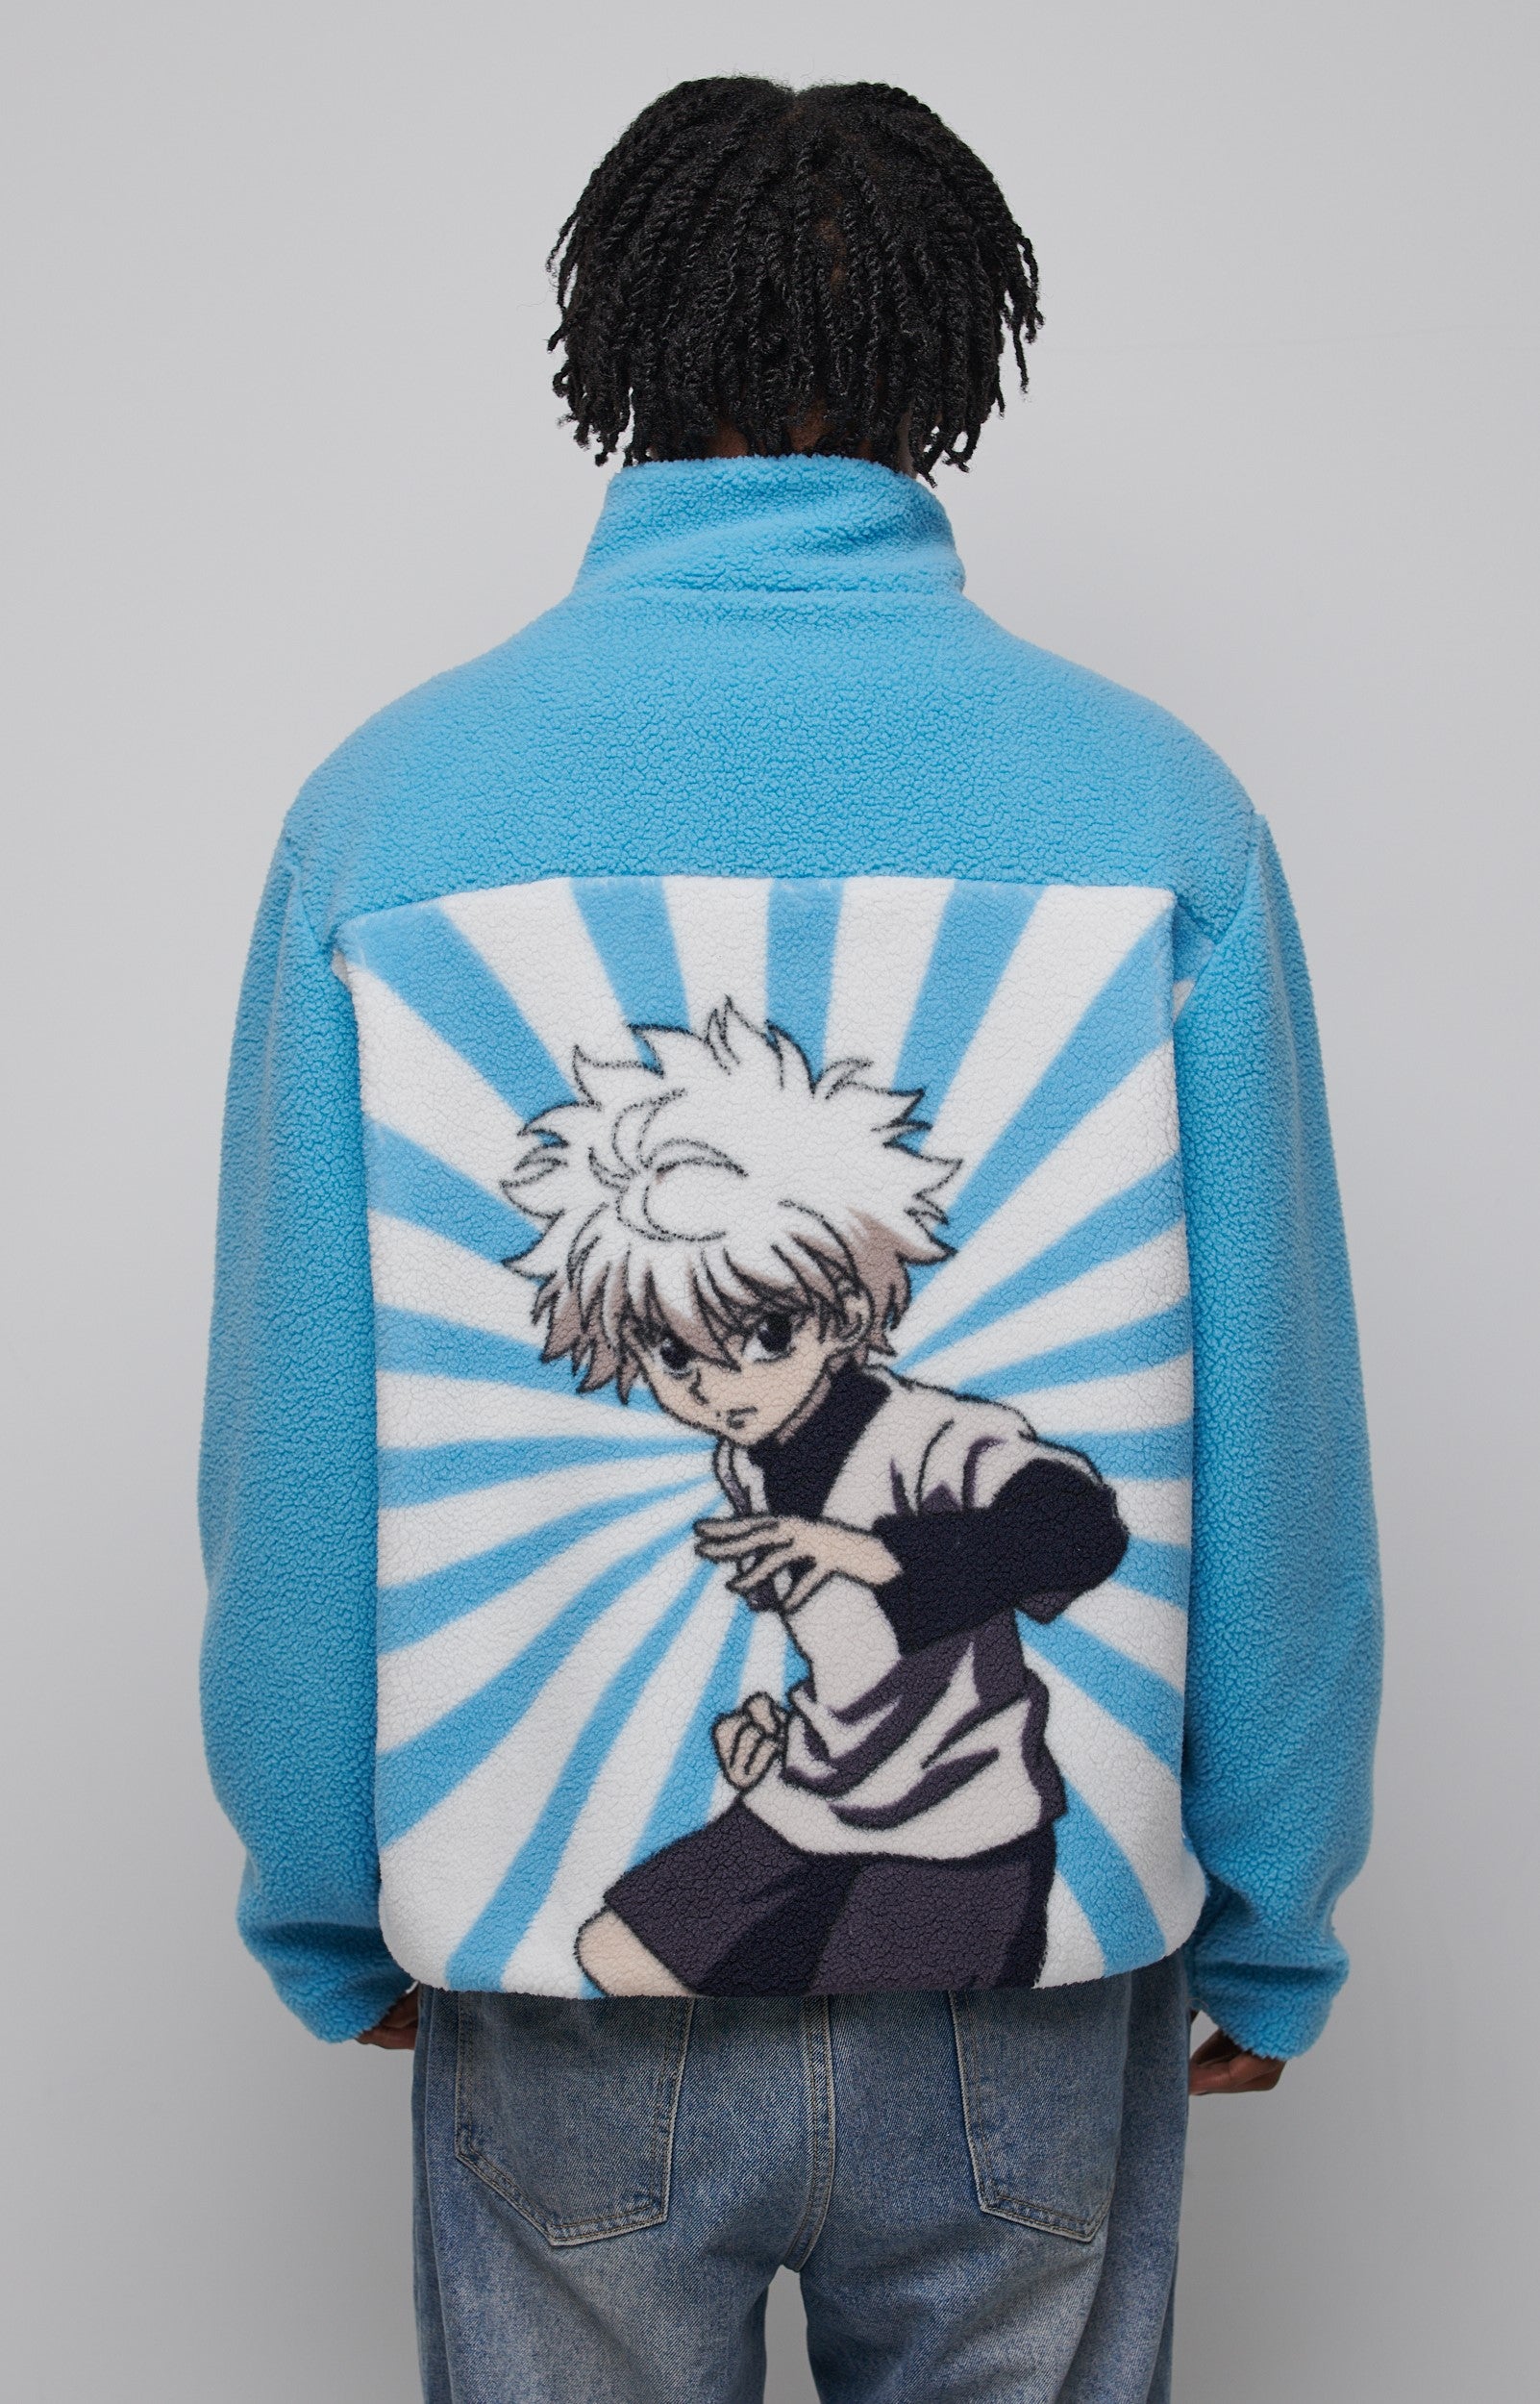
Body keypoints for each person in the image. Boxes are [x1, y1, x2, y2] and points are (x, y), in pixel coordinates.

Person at [200, 76, 1381, 2404]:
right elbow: (1285, 1451)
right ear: (951, 360)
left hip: (556, 1982)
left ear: (617, 345)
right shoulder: (1159, 816)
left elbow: (296, 1453)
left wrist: (328, 1894)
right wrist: (1277, 1907)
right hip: (1032, 2004)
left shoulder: (389, 817)